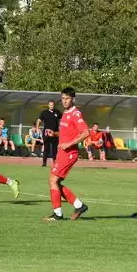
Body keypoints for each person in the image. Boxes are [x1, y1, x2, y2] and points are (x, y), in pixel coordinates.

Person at [42, 87, 90, 221]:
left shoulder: (75, 113)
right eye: (62, 98)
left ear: (73, 99)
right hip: (62, 153)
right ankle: (78, 205)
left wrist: (69, 144)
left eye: (67, 98)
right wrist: (55, 133)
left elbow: (86, 133)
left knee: (52, 180)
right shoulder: (65, 113)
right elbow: (67, 133)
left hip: (69, 153)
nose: (64, 101)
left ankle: (58, 214)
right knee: (55, 182)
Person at [37, 100, 62, 168]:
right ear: (48, 105)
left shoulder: (57, 112)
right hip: (46, 133)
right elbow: (39, 120)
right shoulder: (44, 112)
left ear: (54, 105)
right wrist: (37, 128)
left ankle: (55, 163)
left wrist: (61, 128)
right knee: (46, 148)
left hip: (55, 133)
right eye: (50, 105)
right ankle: (44, 163)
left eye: (52, 105)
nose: (51, 106)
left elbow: (63, 119)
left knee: (55, 149)